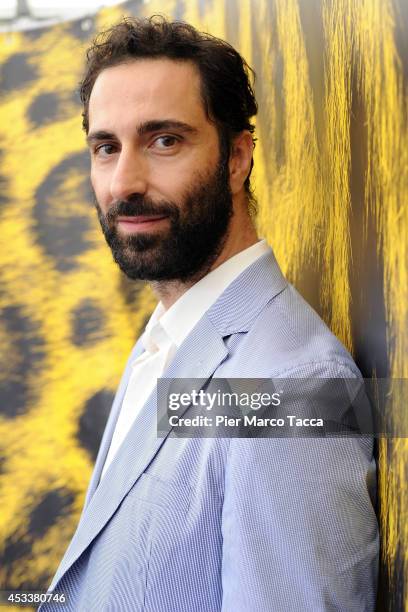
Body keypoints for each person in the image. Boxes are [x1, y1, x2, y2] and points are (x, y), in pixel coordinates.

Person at [41, 16, 379, 611]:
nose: (125, 182)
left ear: (236, 158)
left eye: (164, 140)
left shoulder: (290, 384)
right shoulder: (167, 335)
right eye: (106, 147)